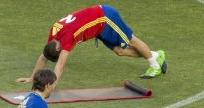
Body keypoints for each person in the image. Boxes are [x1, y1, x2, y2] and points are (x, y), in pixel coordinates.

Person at [16, 4, 167, 83]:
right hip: (97, 28)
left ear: (60, 47)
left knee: (130, 40)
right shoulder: (53, 35)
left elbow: (60, 65)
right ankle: (155, 55)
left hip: (106, 17)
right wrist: (32, 78)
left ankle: (154, 65)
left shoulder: (67, 38)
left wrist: (51, 84)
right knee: (119, 51)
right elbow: (43, 57)